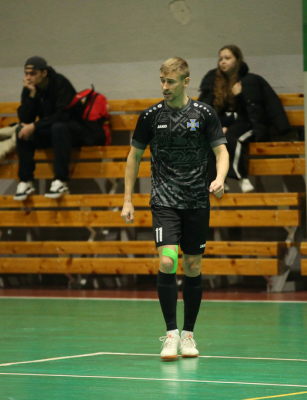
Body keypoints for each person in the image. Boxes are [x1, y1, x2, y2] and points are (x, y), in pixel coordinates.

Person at [121, 57, 229, 359]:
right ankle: (170, 335)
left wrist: (220, 178)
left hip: (196, 201)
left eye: (170, 81)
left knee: (193, 266)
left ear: (185, 81)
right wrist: (128, 199)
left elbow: (221, 151)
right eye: (162, 80)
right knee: (168, 261)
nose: (164, 87)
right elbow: (134, 157)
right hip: (164, 200)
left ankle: (188, 335)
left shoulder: (204, 114)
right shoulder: (150, 116)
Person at [198, 45, 290, 193]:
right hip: (223, 123)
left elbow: (269, 105)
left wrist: (283, 128)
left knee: (231, 138)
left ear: (237, 60)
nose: (223, 62)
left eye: (227, 58)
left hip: (246, 123)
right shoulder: (212, 81)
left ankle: (241, 177)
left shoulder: (252, 80)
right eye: (220, 59)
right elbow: (206, 109)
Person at [14, 56, 105, 201]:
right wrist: (31, 95)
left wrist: (35, 126)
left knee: (58, 127)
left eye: (33, 73)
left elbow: (63, 115)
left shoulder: (59, 82)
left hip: (74, 130)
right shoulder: (30, 88)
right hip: (52, 131)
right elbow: (25, 119)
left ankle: (61, 180)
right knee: (21, 131)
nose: (28, 78)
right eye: (26, 74)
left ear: (44, 73)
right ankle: (26, 181)